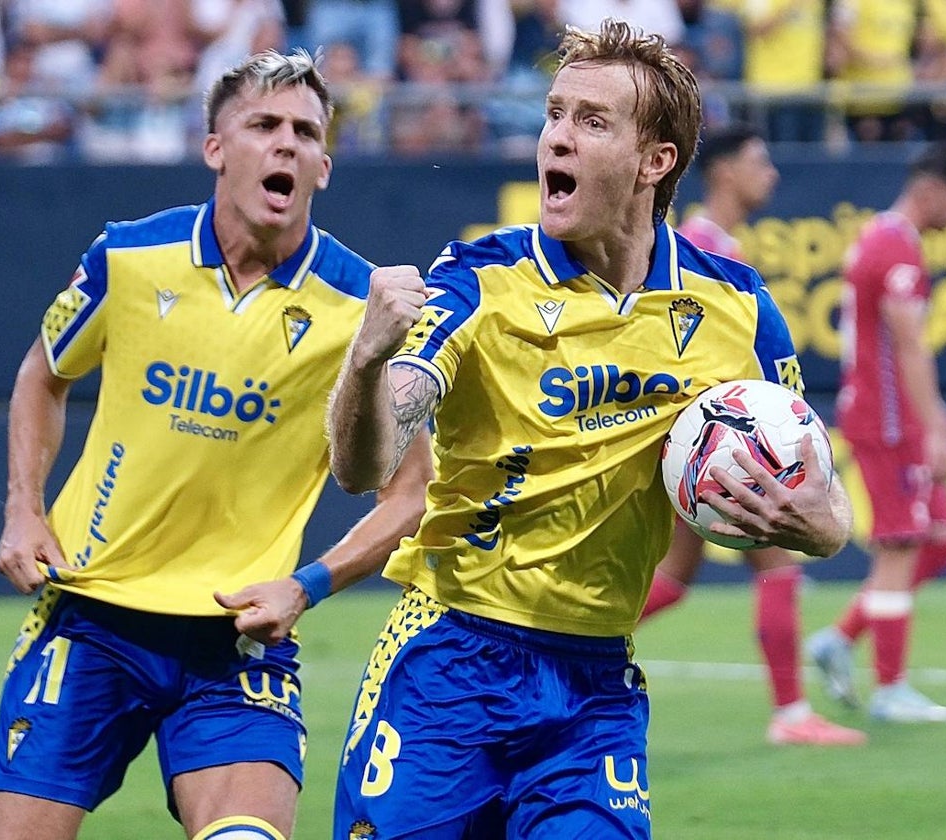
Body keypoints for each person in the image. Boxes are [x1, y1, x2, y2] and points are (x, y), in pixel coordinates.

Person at [327, 19, 853, 837]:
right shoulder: (477, 280)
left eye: (592, 121)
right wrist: (365, 363)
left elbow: (824, 498)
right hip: (448, 660)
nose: (557, 139)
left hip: (594, 685)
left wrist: (822, 527)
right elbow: (365, 467)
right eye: (555, 114)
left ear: (656, 162)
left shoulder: (739, 306)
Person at [0, 49, 433, 840]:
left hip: (237, 642)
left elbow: (412, 492)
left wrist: (309, 584)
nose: (285, 144)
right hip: (93, 616)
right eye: (263, 125)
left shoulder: (364, 307)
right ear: (215, 148)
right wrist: (24, 510)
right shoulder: (126, 256)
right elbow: (41, 374)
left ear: (324, 166)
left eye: (304, 131)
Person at [639, 123, 866, 747]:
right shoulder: (703, 251)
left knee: (675, 581)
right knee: (779, 563)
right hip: (720, 446)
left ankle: (565, 647)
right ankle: (791, 715)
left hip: (703, 442)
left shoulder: (710, 245)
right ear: (724, 173)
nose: (771, 173)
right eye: (759, 161)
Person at [805, 142, 946, 724]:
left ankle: (841, 636)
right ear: (932, 189)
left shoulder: (881, 238)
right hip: (891, 421)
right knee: (901, 543)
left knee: (941, 539)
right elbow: (908, 344)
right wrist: (932, 426)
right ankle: (890, 688)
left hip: (893, 414)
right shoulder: (897, 248)